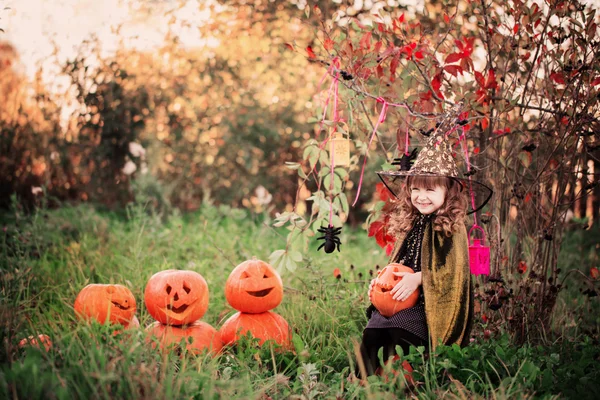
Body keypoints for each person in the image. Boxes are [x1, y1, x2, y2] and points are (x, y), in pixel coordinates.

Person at [356, 114, 493, 378]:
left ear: (448, 192)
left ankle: (406, 379)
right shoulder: (414, 222)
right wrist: (382, 283)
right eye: (416, 189)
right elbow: (398, 263)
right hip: (401, 297)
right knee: (374, 329)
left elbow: (455, 274)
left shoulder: (452, 227)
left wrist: (420, 278)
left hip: (428, 304)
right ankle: (362, 380)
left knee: (399, 330)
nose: (421, 196)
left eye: (430, 190)